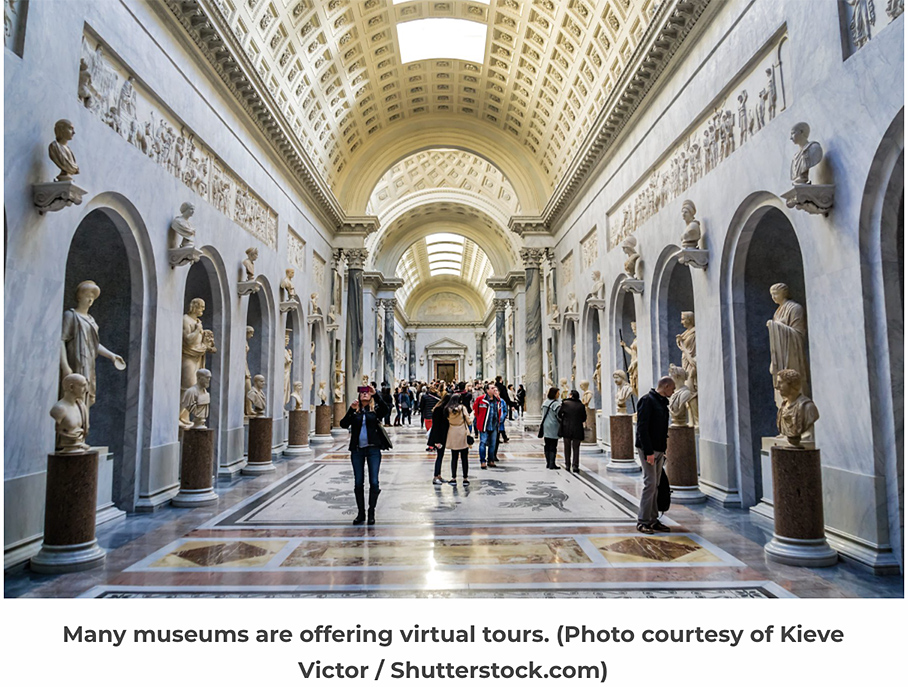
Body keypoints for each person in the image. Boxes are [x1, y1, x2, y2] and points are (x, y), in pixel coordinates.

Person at [340, 386, 391, 525]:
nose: (364, 394)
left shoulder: (375, 411)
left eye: (367, 392)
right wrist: (351, 409)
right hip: (357, 450)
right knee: (358, 482)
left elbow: (386, 409)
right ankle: (361, 512)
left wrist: (377, 395)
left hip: (373, 449)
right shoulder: (355, 411)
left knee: (374, 481)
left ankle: (371, 511)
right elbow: (343, 424)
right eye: (362, 392)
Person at [635, 376, 675, 534]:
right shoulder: (647, 400)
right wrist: (649, 452)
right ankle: (643, 521)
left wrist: (663, 451)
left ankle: (653, 519)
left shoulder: (662, 402)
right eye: (672, 388)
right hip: (649, 449)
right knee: (650, 484)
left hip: (659, 449)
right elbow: (642, 428)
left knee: (656, 484)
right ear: (665, 386)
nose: (673, 392)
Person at [440, 393, 473, 485]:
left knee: (454, 457)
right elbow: (469, 421)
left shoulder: (447, 409)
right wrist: (472, 416)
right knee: (464, 457)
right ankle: (465, 478)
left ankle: (453, 478)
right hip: (462, 432)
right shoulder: (462, 408)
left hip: (452, 432)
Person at [474, 383, 506, 469]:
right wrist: (479, 421)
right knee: (483, 442)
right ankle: (483, 461)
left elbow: (499, 412)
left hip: (494, 425)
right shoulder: (480, 399)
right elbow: (476, 411)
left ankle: (490, 460)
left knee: (493, 444)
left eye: (495, 388)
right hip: (484, 425)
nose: (494, 390)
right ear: (487, 390)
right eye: (492, 388)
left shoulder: (498, 400)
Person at [558, 389, 587, 472]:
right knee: (576, 448)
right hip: (577, 428)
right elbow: (584, 418)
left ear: (571, 395)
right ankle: (575, 465)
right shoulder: (581, 405)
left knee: (567, 447)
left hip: (566, 428)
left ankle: (567, 464)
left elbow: (559, 414)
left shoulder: (565, 403)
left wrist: (564, 420)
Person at [427, 389, 450, 483]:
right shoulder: (439, 410)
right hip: (438, 437)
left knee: (441, 455)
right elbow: (436, 426)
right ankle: (436, 476)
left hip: (441, 436)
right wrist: (436, 441)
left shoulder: (442, 409)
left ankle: (439, 475)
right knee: (439, 456)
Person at [540, 387, 562, 470]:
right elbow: (559, 415)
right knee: (553, 445)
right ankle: (552, 463)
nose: (559, 394)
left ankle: (548, 462)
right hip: (553, 426)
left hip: (546, 425)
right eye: (558, 393)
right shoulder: (556, 404)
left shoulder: (545, 402)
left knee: (547, 445)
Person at [494, 375, 511, 443]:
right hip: (496, 418)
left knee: (501, 427)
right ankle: (502, 438)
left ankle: (504, 437)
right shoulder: (502, 387)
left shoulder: (501, 401)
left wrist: (504, 415)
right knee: (499, 428)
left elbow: (505, 410)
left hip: (501, 417)